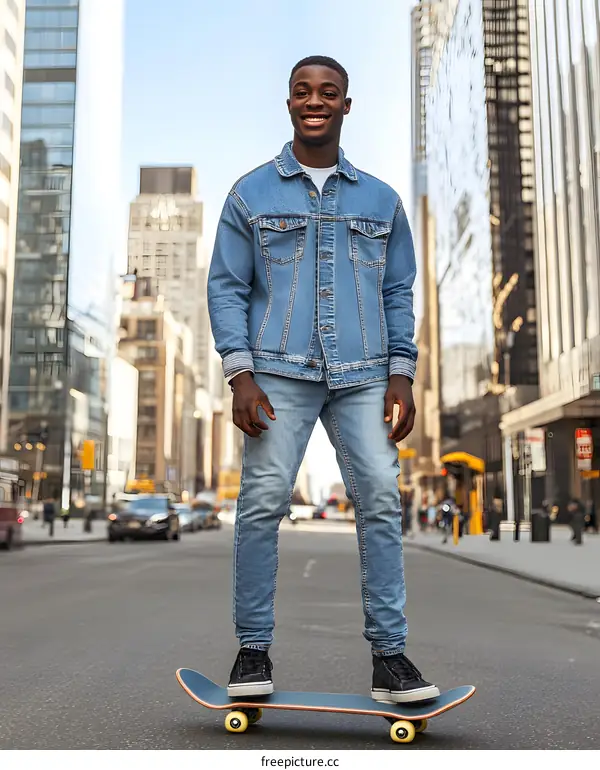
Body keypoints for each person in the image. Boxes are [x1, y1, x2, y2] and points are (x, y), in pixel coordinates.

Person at [207, 55, 439, 704]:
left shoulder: (381, 200)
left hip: (366, 374)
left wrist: (402, 374)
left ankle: (390, 659)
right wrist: (240, 373)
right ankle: (252, 652)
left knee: (381, 503)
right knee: (260, 504)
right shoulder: (250, 194)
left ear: (345, 105)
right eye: (303, 92)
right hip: (276, 372)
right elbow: (226, 289)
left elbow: (398, 293)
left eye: (328, 92)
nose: (315, 100)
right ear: (289, 104)